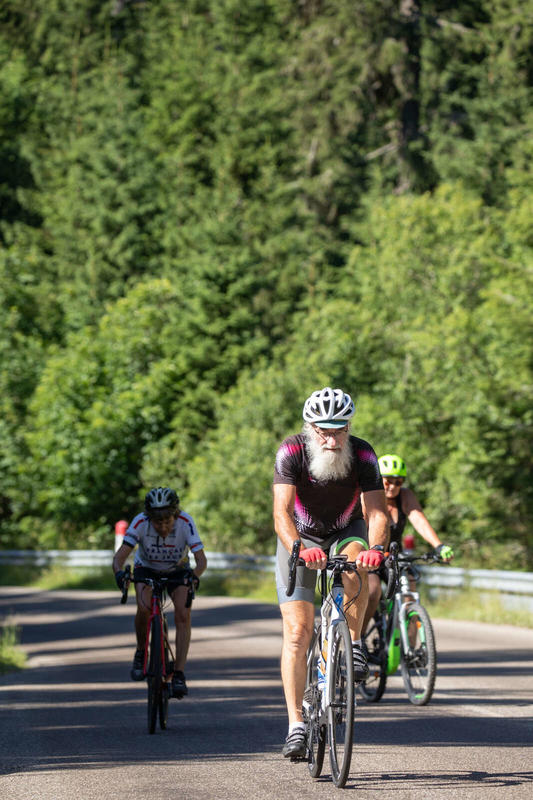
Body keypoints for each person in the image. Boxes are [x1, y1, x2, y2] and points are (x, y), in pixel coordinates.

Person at [273, 387, 389, 758]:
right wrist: (299, 548)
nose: (331, 437)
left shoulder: (364, 453)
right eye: (323, 429)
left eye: (339, 429)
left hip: (345, 531)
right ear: (310, 427)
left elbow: (376, 513)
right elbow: (281, 512)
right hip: (299, 536)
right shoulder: (291, 451)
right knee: (298, 632)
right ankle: (295, 725)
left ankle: (352, 643)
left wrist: (377, 550)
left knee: (357, 560)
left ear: (348, 427)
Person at [112, 486, 207, 698]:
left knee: (183, 614)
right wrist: (119, 574)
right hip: (146, 568)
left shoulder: (185, 522)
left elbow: (201, 560)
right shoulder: (139, 522)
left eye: (167, 521)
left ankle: (179, 673)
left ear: (176, 515)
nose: (163, 527)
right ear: (149, 519)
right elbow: (119, 558)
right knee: (144, 608)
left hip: (177, 569)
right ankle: (140, 652)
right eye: (157, 522)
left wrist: (194, 575)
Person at [363, 453, 454, 630]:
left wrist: (438, 545)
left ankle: (411, 648)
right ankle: (358, 642)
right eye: (388, 481)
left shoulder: (404, 496)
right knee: (373, 590)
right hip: (370, 556)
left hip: (394, 557)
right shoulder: (369, 496)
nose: (392, 486)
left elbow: (418, 519)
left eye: (398, 482)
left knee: (409, 589)